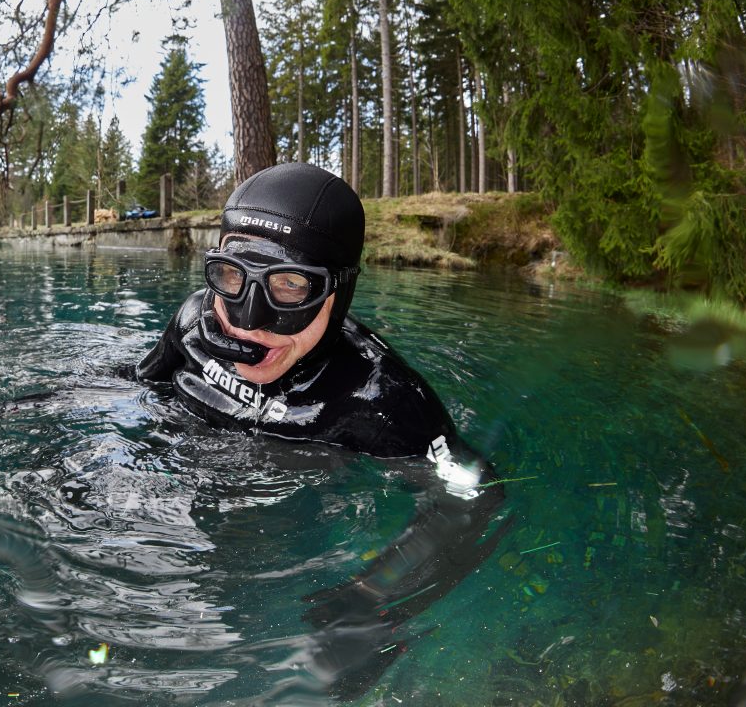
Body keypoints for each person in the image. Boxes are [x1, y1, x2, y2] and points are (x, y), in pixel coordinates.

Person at [137, 162, 506, 698]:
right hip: (170, 500)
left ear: (340, 294)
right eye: (231, 275)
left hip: (291, 530)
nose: (248, 318)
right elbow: (133, 384)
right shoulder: (195, 321)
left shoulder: (378, 400)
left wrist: (373, 592)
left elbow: (476, 495)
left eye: (289, 286)